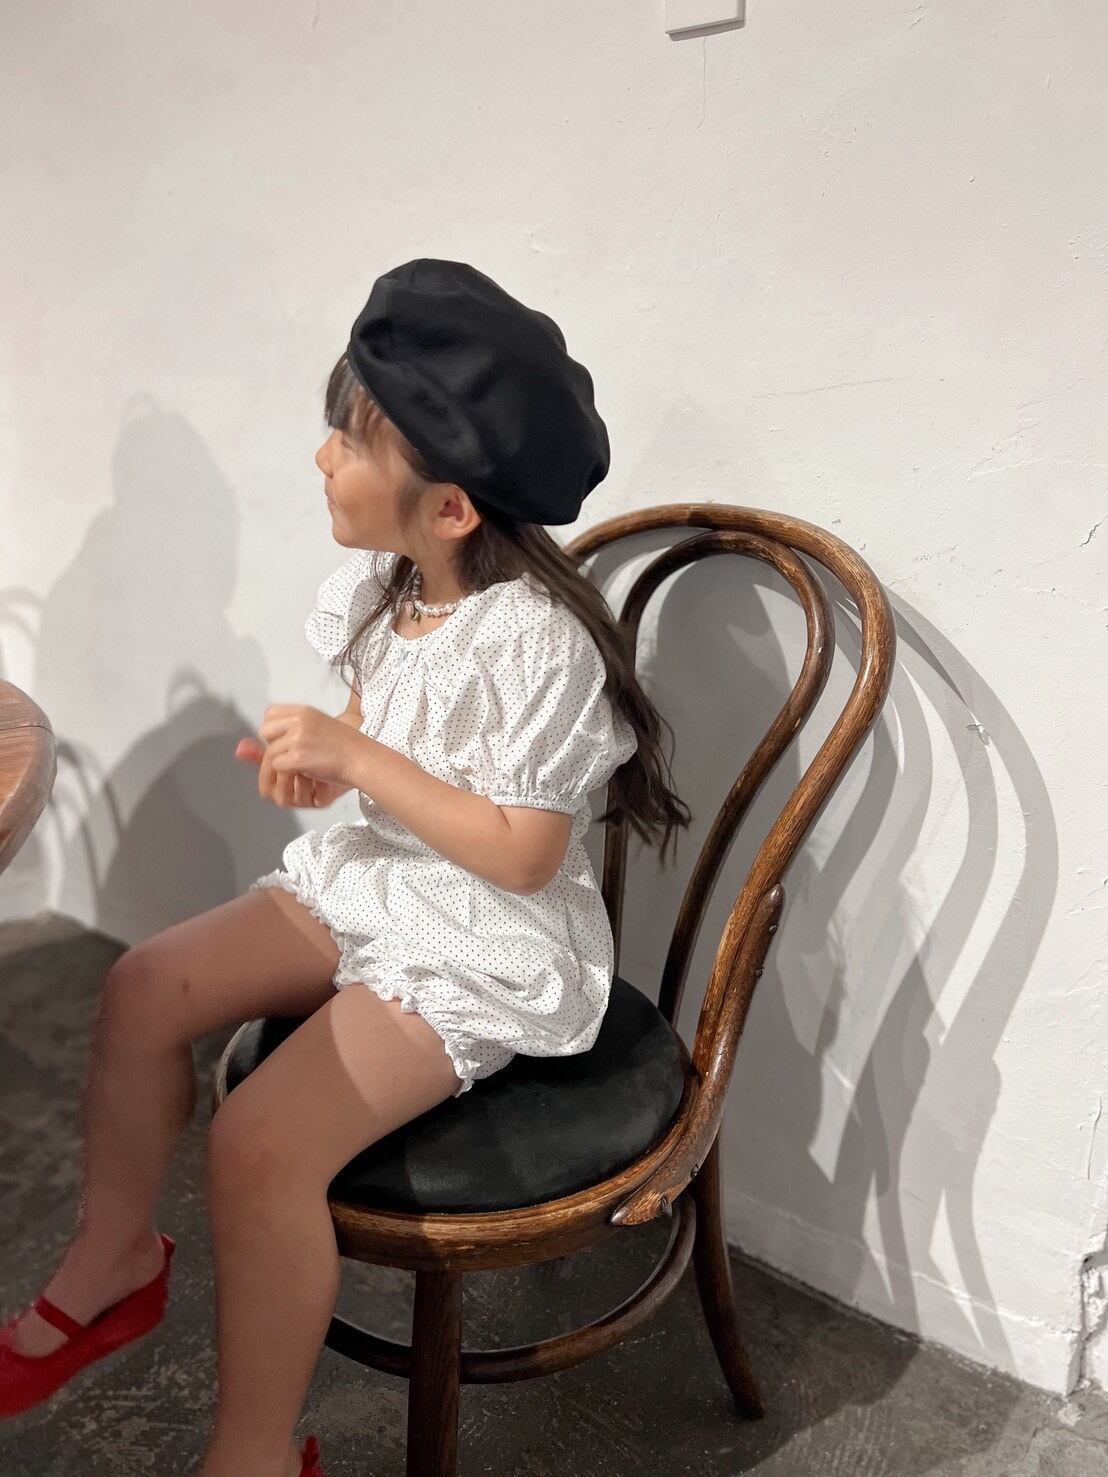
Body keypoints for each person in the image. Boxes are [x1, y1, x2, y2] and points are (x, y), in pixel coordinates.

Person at [0, 259, 692, 1477]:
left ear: (451, 509)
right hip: (379, 879)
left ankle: (256, 1453)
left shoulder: (536, 643)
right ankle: (116, 1255)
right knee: (142, 987)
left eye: (352, 441)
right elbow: (388, 753)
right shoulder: (386, 593)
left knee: (259, 1142)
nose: (322, 457)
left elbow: (522, 855)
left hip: (481, 939)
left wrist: (359, 758)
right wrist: (324, 773)